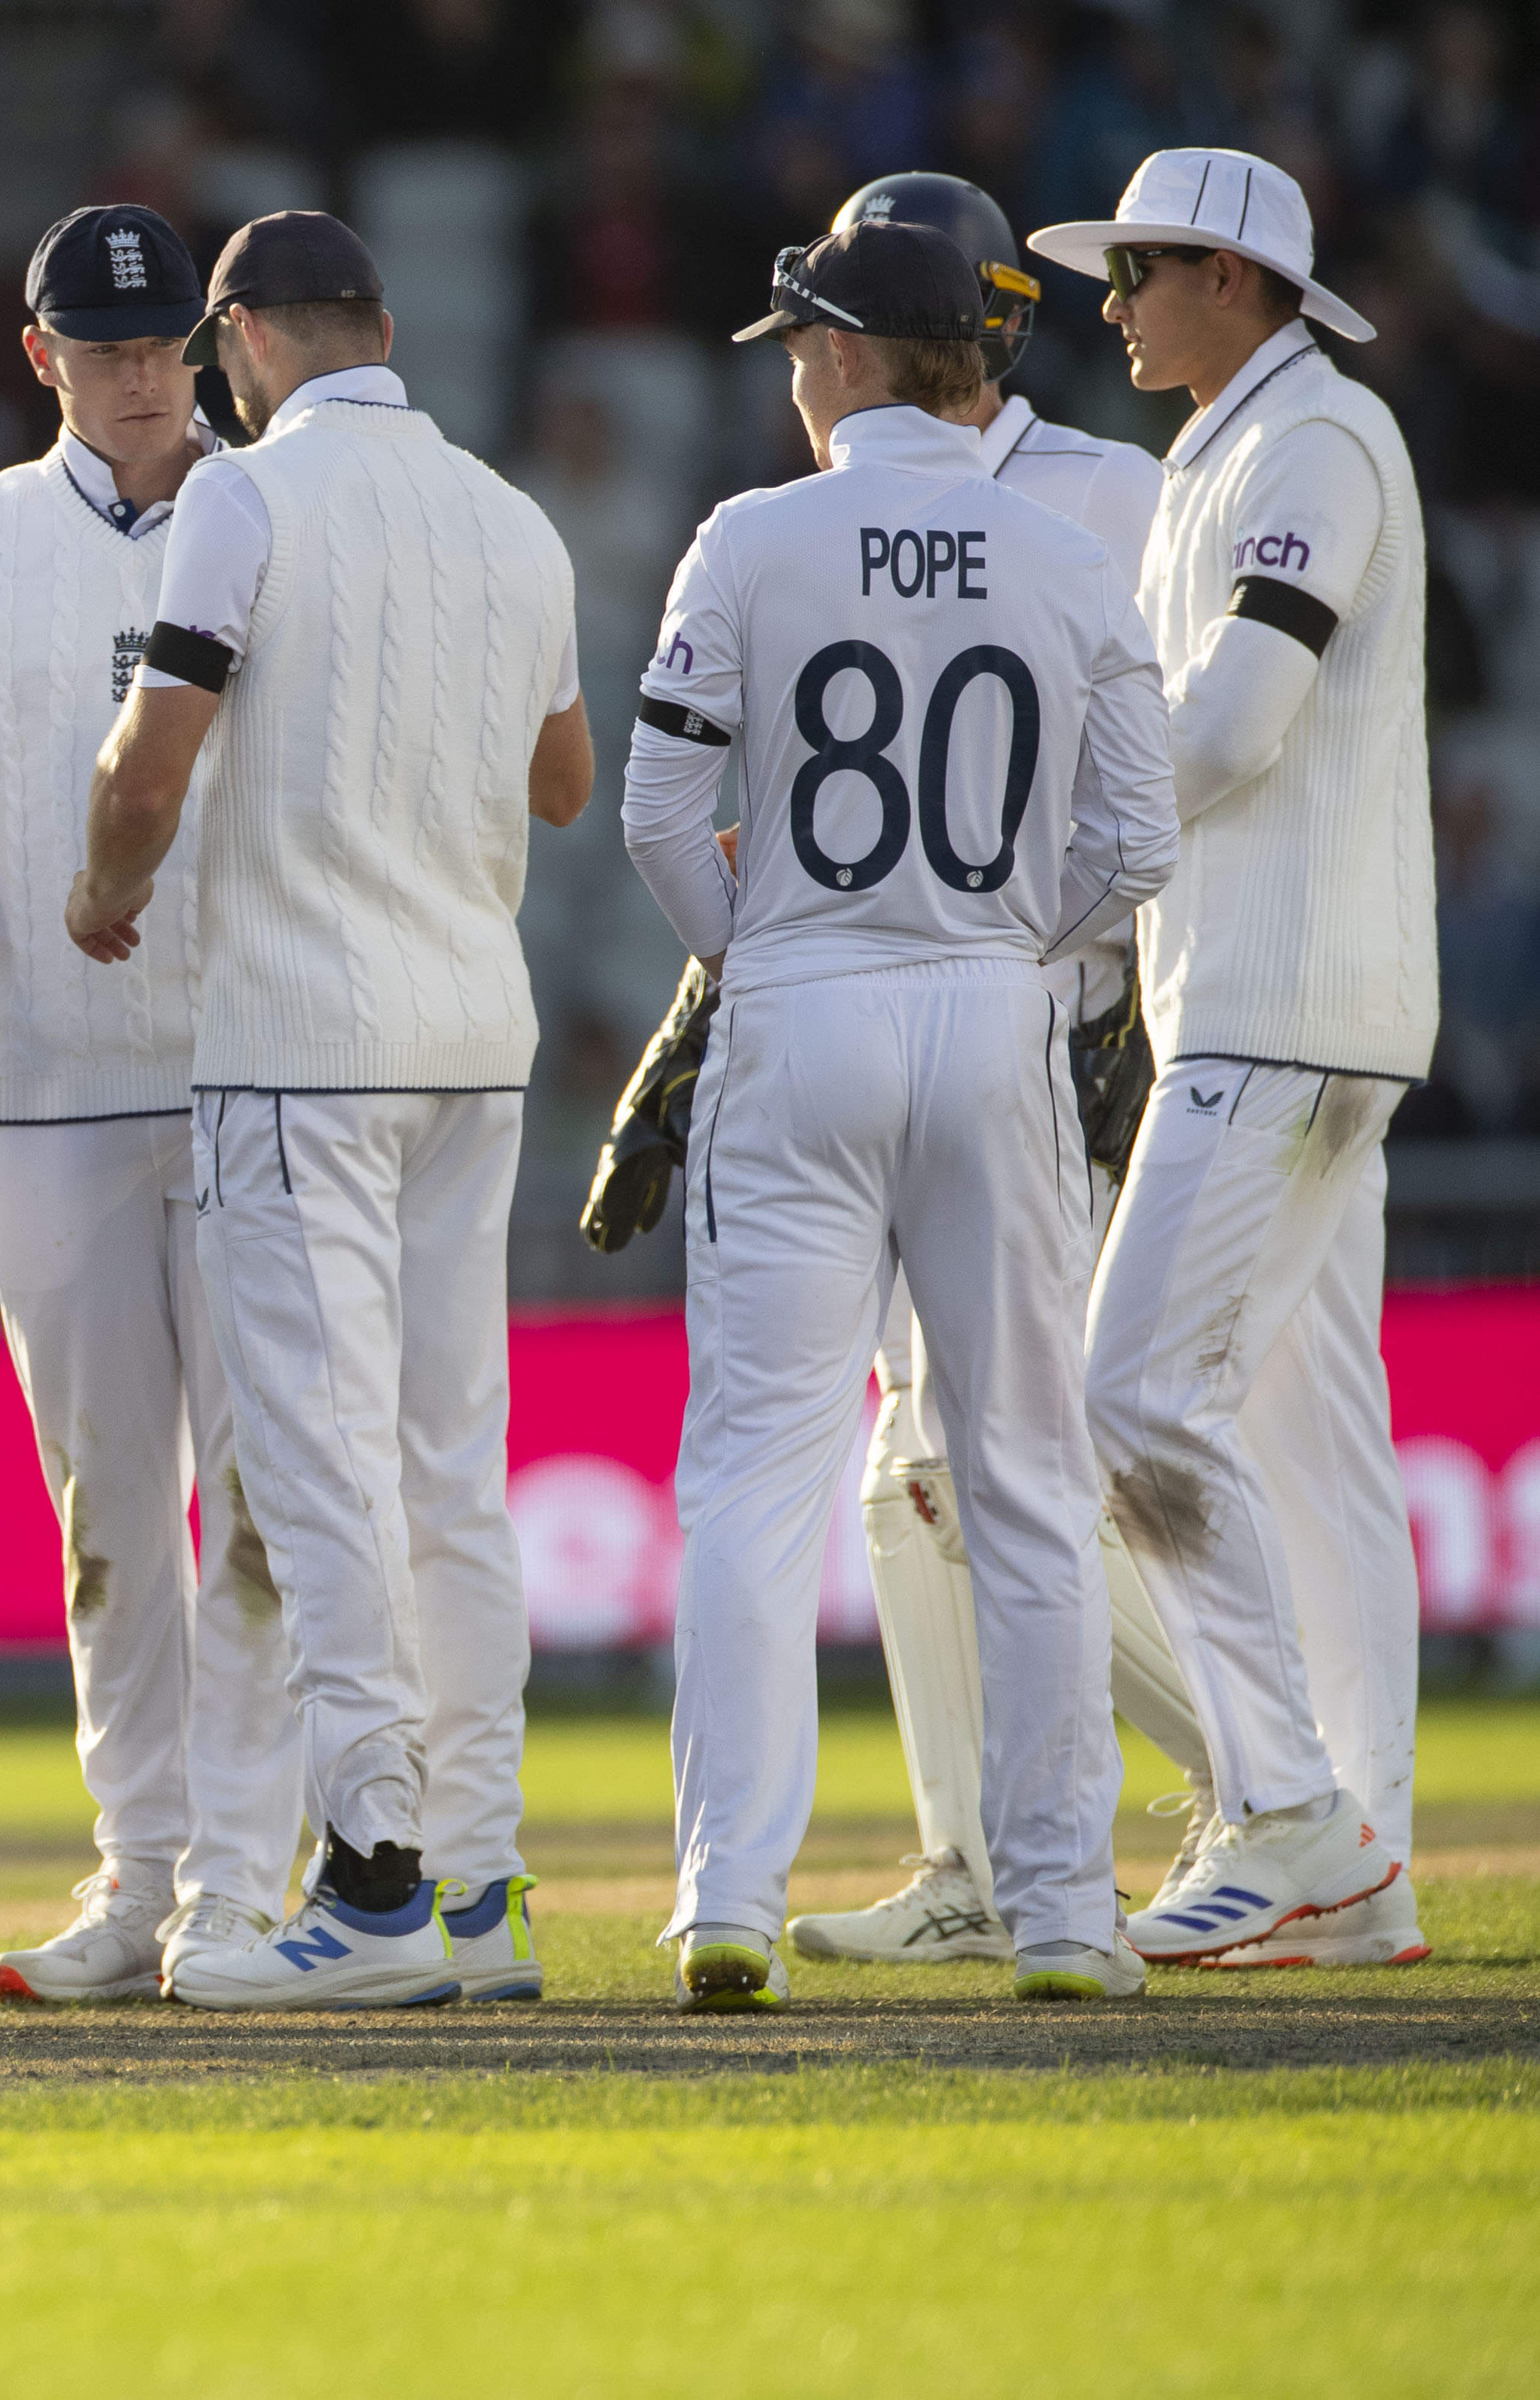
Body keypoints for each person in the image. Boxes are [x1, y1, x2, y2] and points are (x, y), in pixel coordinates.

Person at [626, 218, 1176, 2010]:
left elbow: (652, 813)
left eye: (798, 348)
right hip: (989, 1008)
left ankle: (725, 1892)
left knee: (753, 1479)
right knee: (1023, 1480)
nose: (787, 376)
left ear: (856, 358)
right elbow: (1143, 845)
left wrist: (766, 950)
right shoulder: (1060, 548)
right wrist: (1023, 943)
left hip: (802, 1006)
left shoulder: (748, 536)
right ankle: (1063, 1911)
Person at [65, 210, 586, 2012]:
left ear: (236, 345)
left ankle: (367, 1877)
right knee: (449, 1464)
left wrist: (96, 884)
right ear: (378, 321)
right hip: (470, 1033)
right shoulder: (510, 519)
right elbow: (564, 776)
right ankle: (481, 1886)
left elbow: (152, 751)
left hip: (303, 1034)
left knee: (313, 1465)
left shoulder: (242, 496)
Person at [755, 171, 1216, 1972]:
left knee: (993, 1455)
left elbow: (1162, 777)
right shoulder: (844, 498)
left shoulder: (1110, 490)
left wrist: (1089, 970)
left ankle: (1269, 1782)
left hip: (1056, 1037)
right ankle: (970, 1858)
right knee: (911, 1466)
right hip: (897, 1029)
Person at [0, 203, 305, 2005]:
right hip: (50, 1087)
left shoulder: (279, 507)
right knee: (105, 1506)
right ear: (36, 353)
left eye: (160, 345)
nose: (136, 375)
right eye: (98, 345)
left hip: (259, 1061)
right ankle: (139, 1873)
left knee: (265, 1489)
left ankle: (239, 1879)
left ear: (200, 348)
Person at [1032, 149, 1431, 1969]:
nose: (1107, 305)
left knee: (1127, 1399)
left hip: (1276, 1003)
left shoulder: (1313, 443)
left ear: (1235, 280)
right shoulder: (1238, 447)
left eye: (1134, 273)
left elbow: (1233, 728)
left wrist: (1048, 867)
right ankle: (1363, 1845)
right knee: (1312, 1437)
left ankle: (1290, 1817)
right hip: (1284, 1000)